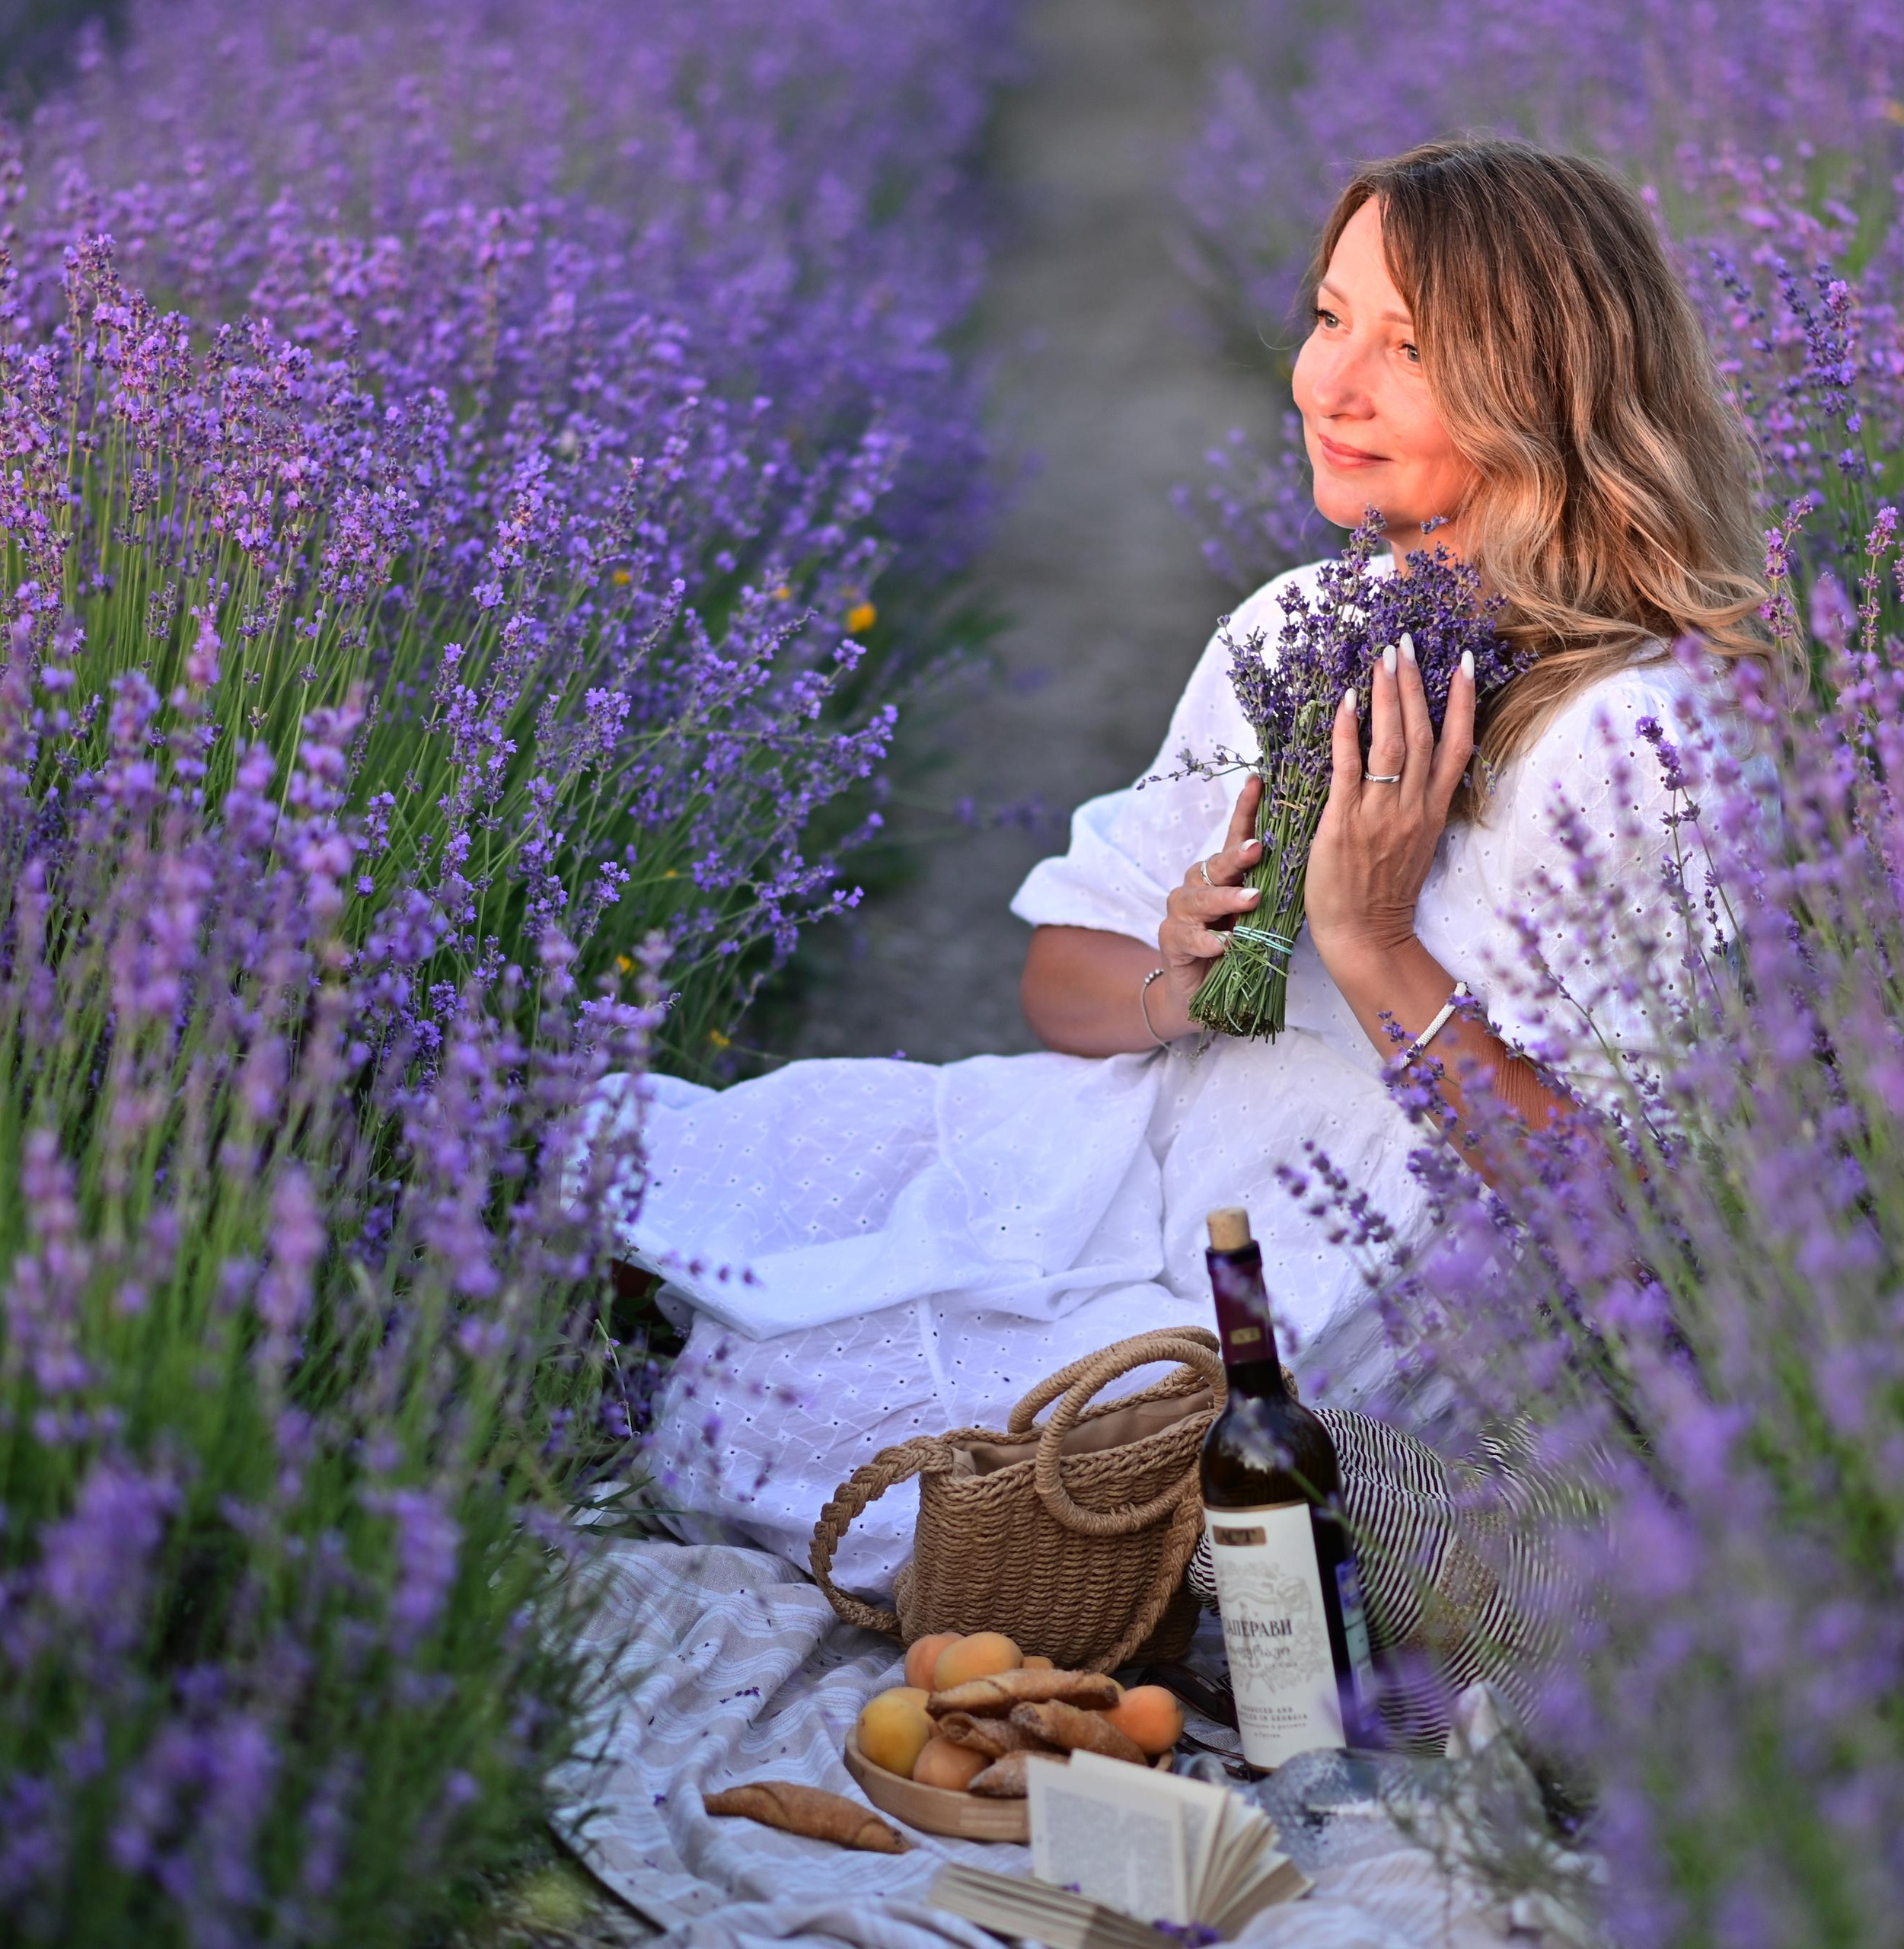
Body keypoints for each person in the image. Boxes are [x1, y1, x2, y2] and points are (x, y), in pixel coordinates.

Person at [597, 138, 1775, 1592]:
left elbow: (1637, 1217)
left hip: (1382, 1297)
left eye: (1410, 348)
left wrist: (1371, 945)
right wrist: (1187, 972)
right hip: (1162, 1163)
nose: (1331, 385)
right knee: (732, 1178)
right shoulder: (1298, 627)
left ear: (1549, 389)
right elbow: (1061, 979)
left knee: (819, 1429)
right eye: (1331, 318)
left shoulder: (1637, 736)